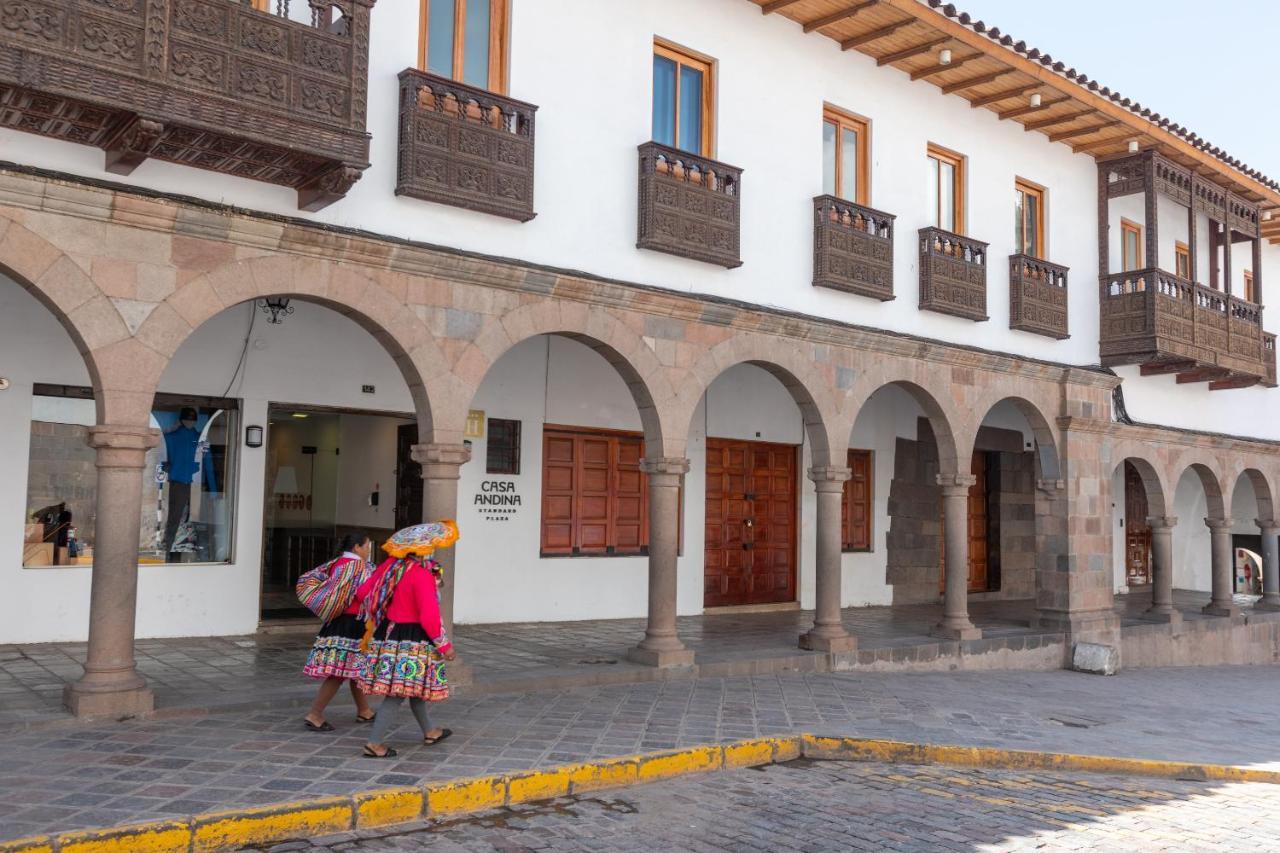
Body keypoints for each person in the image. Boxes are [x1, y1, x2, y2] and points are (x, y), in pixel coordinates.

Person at [355, 521, 460, 758]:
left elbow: (363, 593)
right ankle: (374, 743)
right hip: (413, 639)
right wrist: (445, 646)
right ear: (423, 550)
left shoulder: (390, 568)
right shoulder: (421, 575)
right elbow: (429, 616)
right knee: (398, 693)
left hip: (388, 635)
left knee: (412, 688)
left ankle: (430, 730)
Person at [302, 532, 377, 731]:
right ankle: (315, 714)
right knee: (337, 673)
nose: (369, 550)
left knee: (355, 669)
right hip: (352, 624)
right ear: (356, 548)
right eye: (367, 546)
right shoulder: (358, 567)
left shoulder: (337, 563)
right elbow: (363, 595)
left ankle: (364, 710)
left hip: (338, 622)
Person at [162, 407, 201, 560]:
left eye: (192, 419)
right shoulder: (170, 438)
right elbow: (161, 461)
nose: (190, 422)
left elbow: (207, 463)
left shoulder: (199, 438)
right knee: (175, 519)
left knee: (188, 520)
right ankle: (169, 553)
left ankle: (173, 553)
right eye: (188, 419)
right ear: (181, 420)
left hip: (191, 483)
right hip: (178, 483)